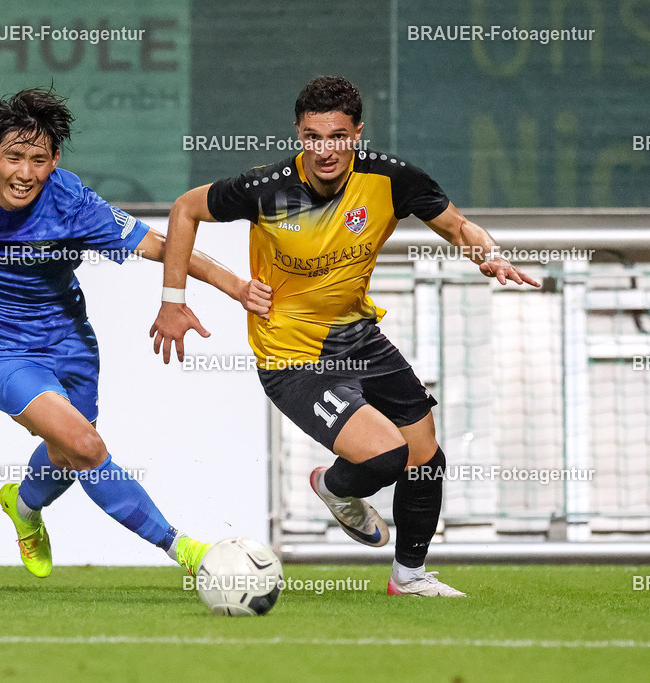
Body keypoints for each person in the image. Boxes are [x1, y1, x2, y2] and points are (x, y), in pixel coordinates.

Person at [150, 75, 540, 596]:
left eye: (336, 135)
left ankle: (410, 577)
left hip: (360, 341)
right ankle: (334, 487)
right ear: (298, 135)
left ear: (357, 133)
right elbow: (184, 209)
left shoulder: (390, 179)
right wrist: (175, 302)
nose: (324, 150)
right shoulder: (267, 188)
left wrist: (488, 255)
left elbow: (458, 226)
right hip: (292, 359)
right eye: (312, 137)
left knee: (426, 459)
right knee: (384, 457)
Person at [0, 86, 267, 577]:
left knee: (66, 453)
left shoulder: (72, 203)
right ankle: (187, 551)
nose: (25, 174)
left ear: (54, 161)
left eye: (39, 160)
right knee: (87, 446)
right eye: (13, 158)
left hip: (71, 346)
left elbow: (159, 244)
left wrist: (236, 286)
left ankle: (23, 507)